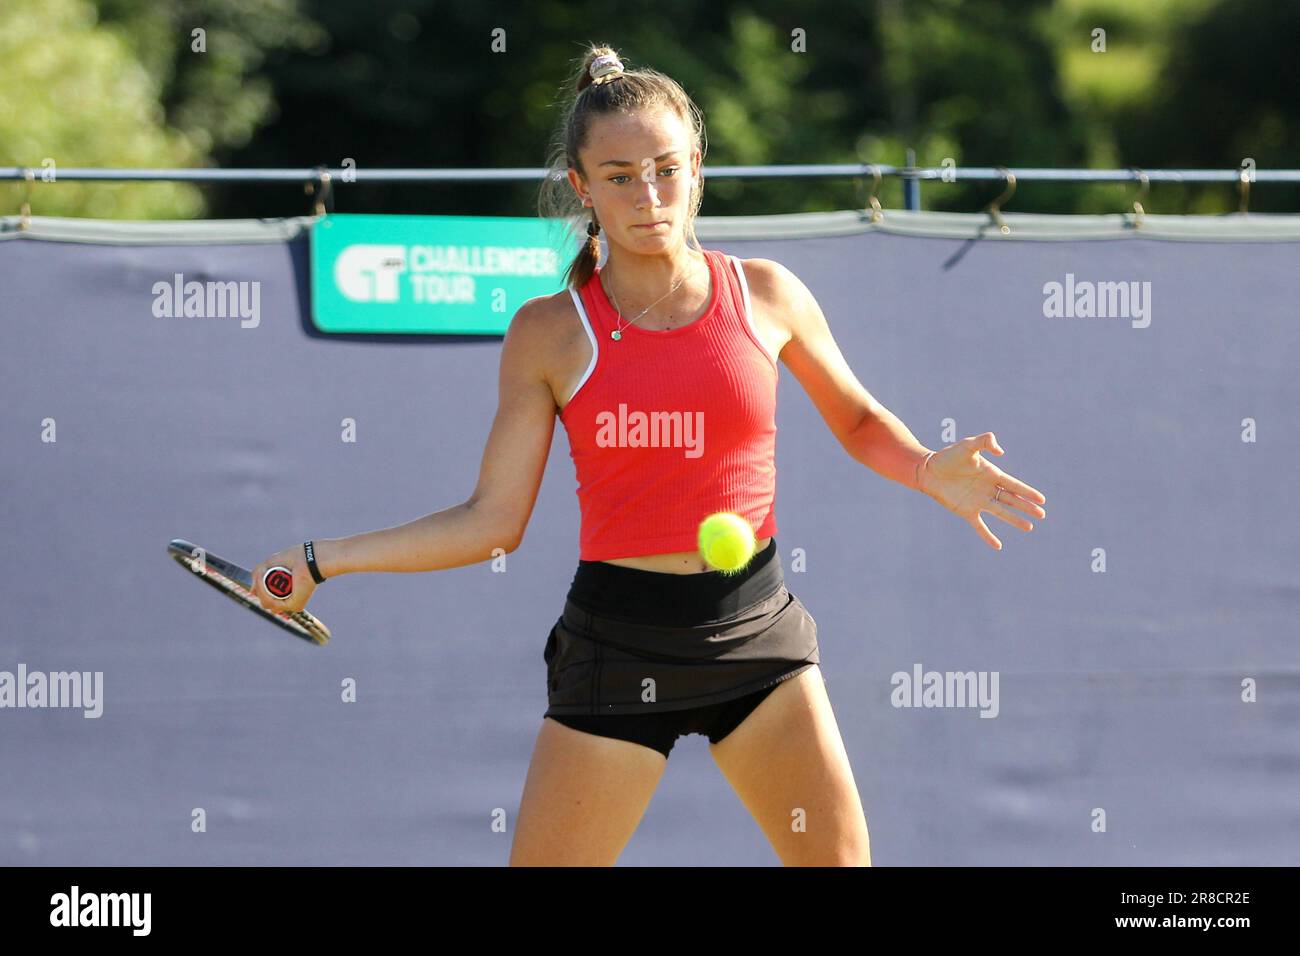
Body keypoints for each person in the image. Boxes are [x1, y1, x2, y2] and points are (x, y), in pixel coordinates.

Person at [249, 45, 1047, 867]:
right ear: (581, 184)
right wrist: (322, 560)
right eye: (621, 175)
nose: (649, 195)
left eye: (666, 169)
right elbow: (492, 523)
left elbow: (858, 420)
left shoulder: (767, 293)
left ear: (697, 168)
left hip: (756, 636)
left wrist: (923, 467)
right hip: (617, 648)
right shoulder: (549, 333)